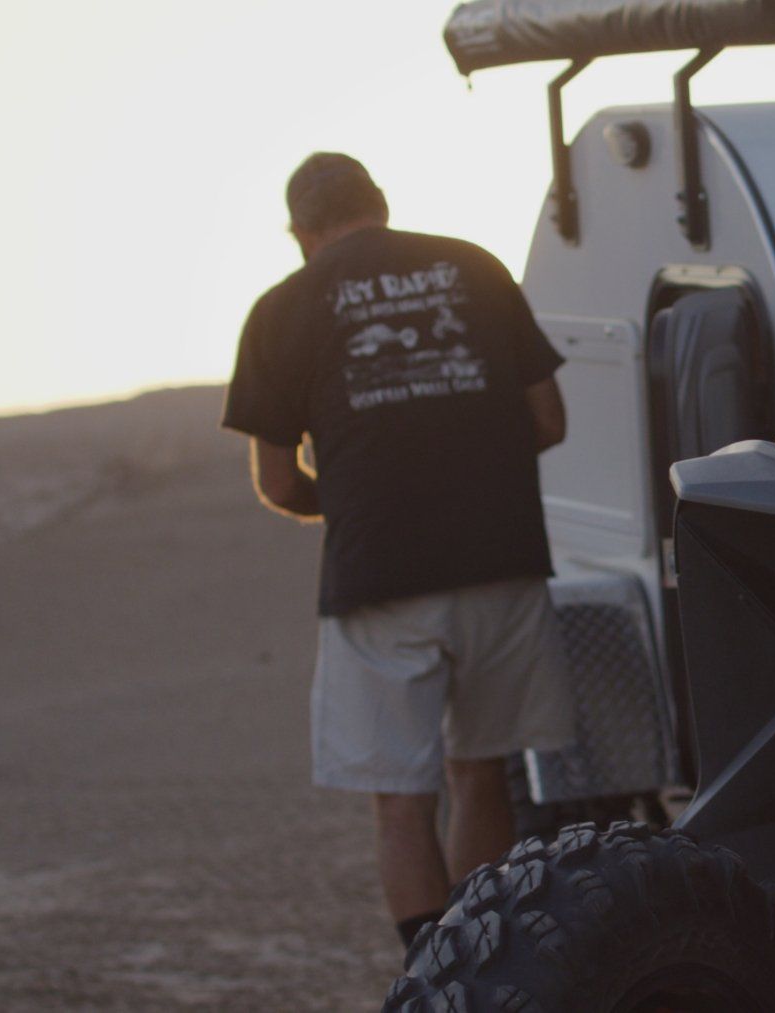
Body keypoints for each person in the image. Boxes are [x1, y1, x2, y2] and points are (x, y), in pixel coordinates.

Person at [222, 152, 578, 948]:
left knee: (398, 796)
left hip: (379, 583)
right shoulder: (474, 267)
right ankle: (487, 958)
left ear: (298, 232)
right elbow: (549, 421)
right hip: (502, 564)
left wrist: (348, 499)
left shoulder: (282, 307)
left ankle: (433, 971)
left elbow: (278, 481)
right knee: (480, 771)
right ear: (380, 202)